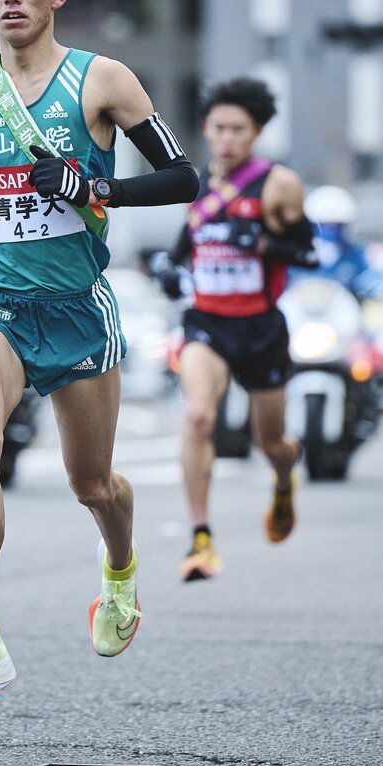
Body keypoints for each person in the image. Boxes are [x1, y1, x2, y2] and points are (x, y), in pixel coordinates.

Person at [0, 0, 199, 709]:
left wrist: (94, 185)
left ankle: (120, 571)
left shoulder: (104, 80)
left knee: (93, 483)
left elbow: (184, 179)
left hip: (76, 307)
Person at [153, 78, 318, 582]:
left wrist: (265, 243)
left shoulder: (279, 184)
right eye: (218, 128)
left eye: (238, 130)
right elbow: (187, 244)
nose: (226, 138)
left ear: (257, 132)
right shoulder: (195, 183)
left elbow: (310, 253)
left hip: (261, 328)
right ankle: (201, 537)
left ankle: (285, 478)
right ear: (205, 129)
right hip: (207, 323)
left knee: (272, 442)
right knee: (199, 417)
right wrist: (166, 266)